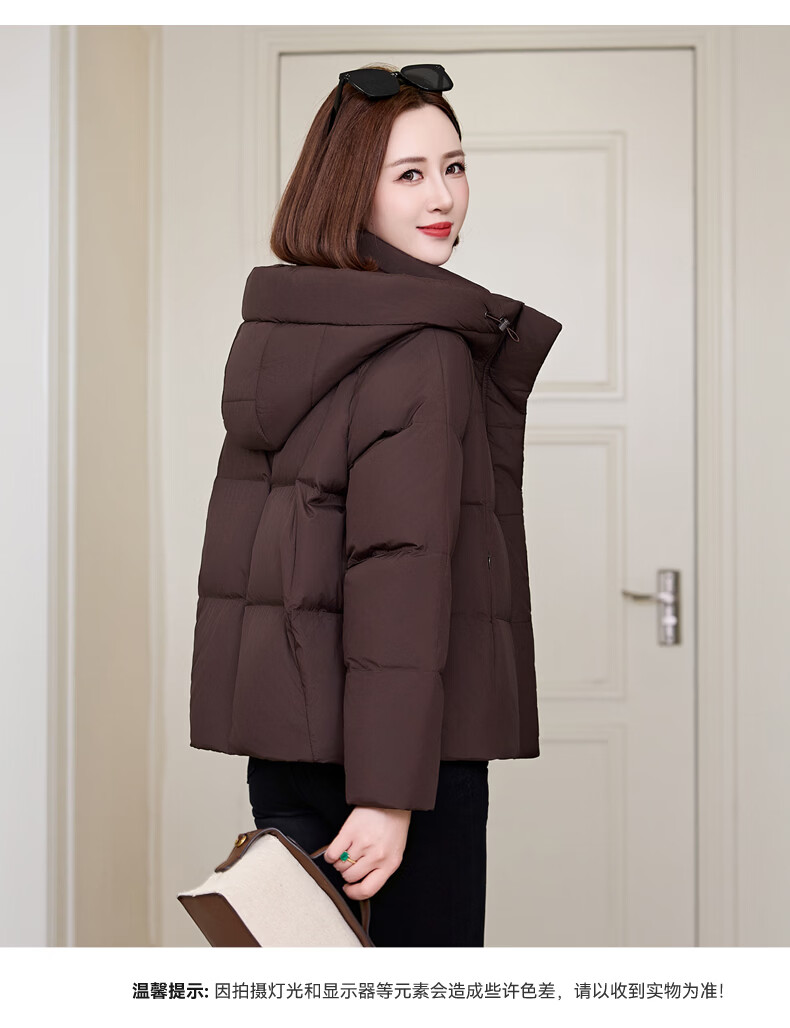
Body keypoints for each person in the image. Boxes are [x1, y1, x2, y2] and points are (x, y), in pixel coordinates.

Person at [188, 62, 562, 947]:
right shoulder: (424, 347)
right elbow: (400, 574)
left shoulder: (285, 330)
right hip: (395, 770)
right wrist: (390, 795)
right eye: (409, 174)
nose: (443, 197)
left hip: (291, 749)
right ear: (351, 189)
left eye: (454, 166)